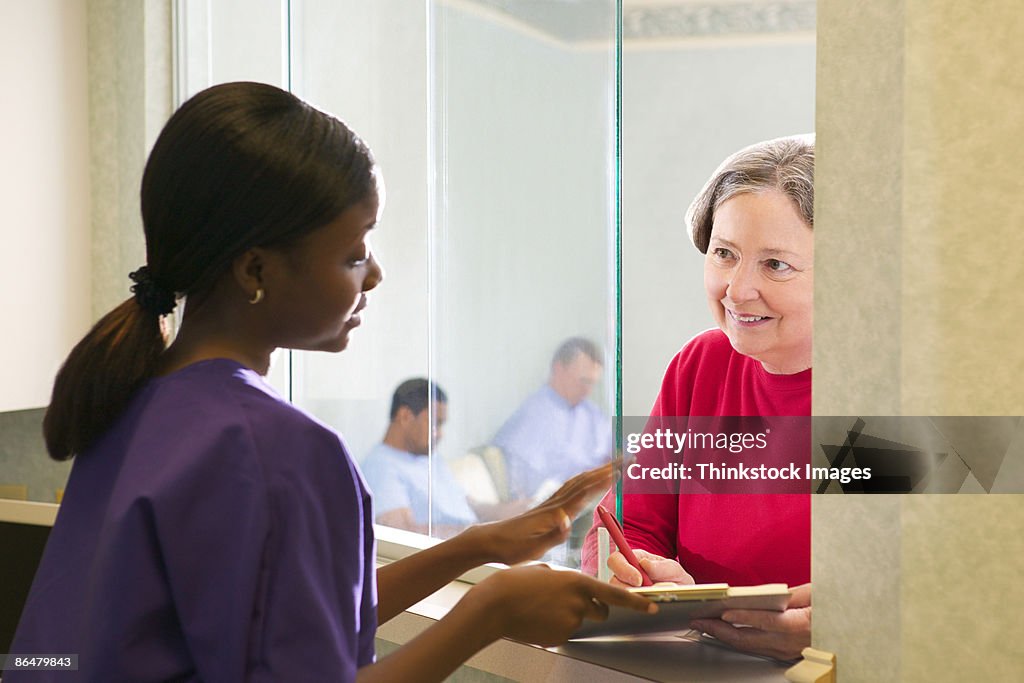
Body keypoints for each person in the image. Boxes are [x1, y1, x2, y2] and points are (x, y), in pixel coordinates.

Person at [7, 82, 655, 682]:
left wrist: (475, 547)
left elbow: (276, 619)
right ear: (255, 268)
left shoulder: (132, 403)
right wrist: (491, 611)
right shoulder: (279, 450)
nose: (372, 274)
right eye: (353, 252)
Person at [582, 135, 815, 661]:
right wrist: (640, 577)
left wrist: (849, 623)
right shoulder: (701, 365)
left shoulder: (888, 388)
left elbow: (936, 577)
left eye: (775, 264)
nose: (736, 289)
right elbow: (626, 524)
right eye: (724, 254)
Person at [362, 378, 527, 536]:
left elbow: (470, 506)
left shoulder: (431, 458)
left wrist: (516, 512)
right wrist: (477, 534)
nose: (440, 433)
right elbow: (402, 532)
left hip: (473, 543)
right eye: (435, 423)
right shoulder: (380, 466)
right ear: (405, 416)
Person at [493, 337, 613, 502]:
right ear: (559, 369)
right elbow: (521, 484)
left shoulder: (591, 413)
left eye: (593, 383)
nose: (588, 390)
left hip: (594, 503)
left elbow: (619, 449)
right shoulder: (533, 414)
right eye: (583, 381)